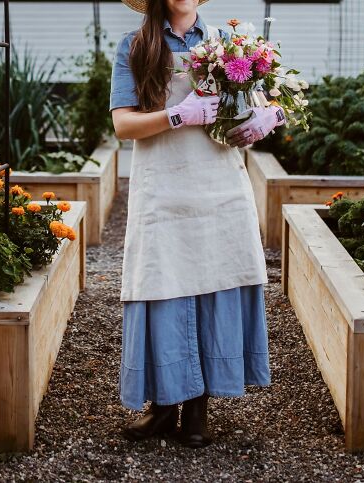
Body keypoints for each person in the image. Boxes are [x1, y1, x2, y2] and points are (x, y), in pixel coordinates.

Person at [110, 0, 285, 449]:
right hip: (163, 190)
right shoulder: (135, 46)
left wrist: (258, 123)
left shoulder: (227, 44)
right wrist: (176, 115)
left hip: (218, 188)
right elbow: (123, 126)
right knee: (162, 286)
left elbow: (243, 115)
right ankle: (164, 407)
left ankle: (198, 410)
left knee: (212, 284)